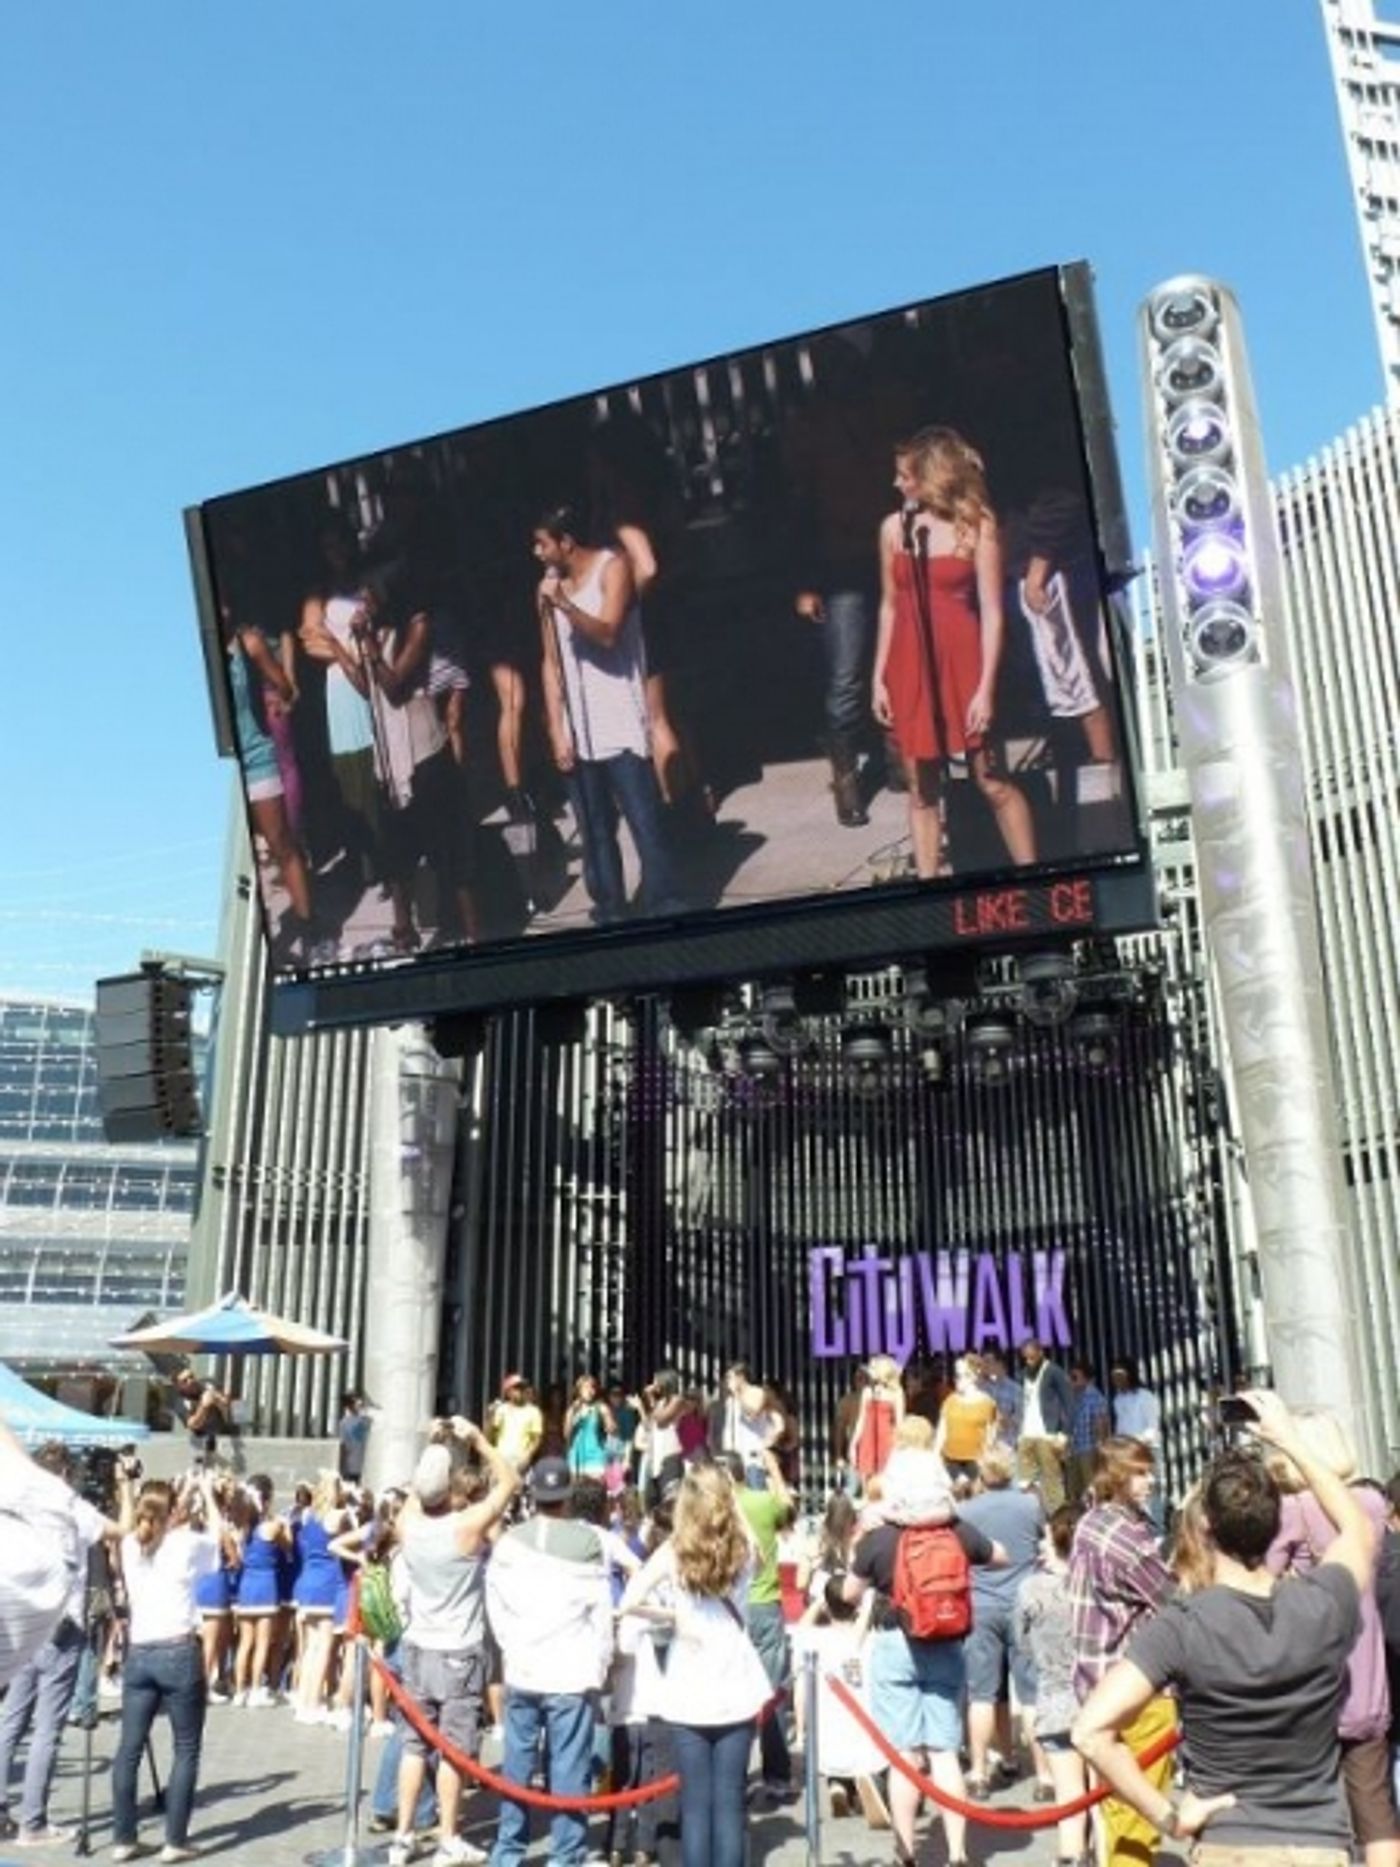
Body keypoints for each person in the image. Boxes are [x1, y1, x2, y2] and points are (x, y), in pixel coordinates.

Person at [1073, 1391, 1377, 1867]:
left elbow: (1090, 1731)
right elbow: (1357, 1528)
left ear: (1205, 1527)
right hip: (1319, 1841)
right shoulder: (1323, 1602)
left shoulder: (1183, 1625)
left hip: (1229, 1842)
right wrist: (1290, 1440)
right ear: (1275, 1524)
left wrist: (1168, 1817)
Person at [873, 427, 1036, 878]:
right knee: (921, 790)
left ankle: (1033, 875)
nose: (896, 483)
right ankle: (930, 887)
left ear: (932, 477)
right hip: (909, 660)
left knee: (992, 780)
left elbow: (993, 612)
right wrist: (878, 679)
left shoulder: (977, 526)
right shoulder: (893, 529)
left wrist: (985, 689)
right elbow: (888, 606)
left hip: (963, 660)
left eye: (905, 475)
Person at [844, 1446, 1006, 1867]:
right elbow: (999, 1555)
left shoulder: (881, 1538)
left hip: (895, 1642)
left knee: (904, 1756)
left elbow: (848, 1593)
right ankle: (957, 1851)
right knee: (945, 1751)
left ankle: (906, 1850)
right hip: (947, 1643)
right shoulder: (956, 1530)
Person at [534, 503, 686, 925]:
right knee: (594, 828)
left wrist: (564, 604)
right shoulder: (546, 589)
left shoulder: (612, 568)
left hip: (619, 721)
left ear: (567, 542)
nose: (537, 552)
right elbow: (550, 660)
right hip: (579, 729)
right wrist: (556, 729)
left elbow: (607, 633)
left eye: (542, 544)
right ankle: (610, 906)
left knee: (643, 820)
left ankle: (665, 903)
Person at [619, 1464, 774, 1867]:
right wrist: (731, 1500)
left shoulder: (673, 1551)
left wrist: (671, 1615)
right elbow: (756, 1548)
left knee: (695, 1805)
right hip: (736, 1683)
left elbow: (629, 1599)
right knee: (730, 1804)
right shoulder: (744, 1547)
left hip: (688, 1685)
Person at [1265, 1410, 1399, 1867]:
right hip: (1368, 1676)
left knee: (1315, 1813)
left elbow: (1261, 1581)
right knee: (1375, 1809)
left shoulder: (1291, 1511)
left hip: (1312, 1683)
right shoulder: (1372, 1503)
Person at [387, 1420, 519, 1867]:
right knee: (454, 1749)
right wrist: (479, 1441)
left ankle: (403, 1836)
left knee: (413, 1746)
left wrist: (432, 1448)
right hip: (459, 1649)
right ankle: (447, 1837)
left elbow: (416, 1493)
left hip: (417, 1646)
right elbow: (509, 1482)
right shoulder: (465, 1527)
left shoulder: (407, 1525)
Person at [485, 1456, 614, 1867]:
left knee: (517, 1765)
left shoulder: (510, 1542)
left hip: (523, 1666)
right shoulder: (588, 1543)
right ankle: (565, 1854)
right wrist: (601, 1662)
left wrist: (509, 1644)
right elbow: (601, 1612)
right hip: (570, 1671)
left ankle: (508, 1850)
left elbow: (494, 1601)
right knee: (569, 1767)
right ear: (567, 1496)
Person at [0, 1445, 130, 1846]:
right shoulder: (69, 1506)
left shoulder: (16, 1504)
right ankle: (33, 1821)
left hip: (25, 1621)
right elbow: (123, 1529)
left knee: (11, 1721)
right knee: (47, 1728)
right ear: (64, 1476)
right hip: (62, 1622)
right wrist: (126, 1484)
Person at [1067, 1437, 1177, 1867]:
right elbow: (1172, 1599)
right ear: (1115, 1477)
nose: (1149, 1481)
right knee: (1140, 1811)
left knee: (1117, 1806)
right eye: (1139, 1473)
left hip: (1096, 1681)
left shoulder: (1090, 1522)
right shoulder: (1126, 1538)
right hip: (1137, 1685)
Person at [110, 1472, 224, 1863]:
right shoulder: (186, 1543)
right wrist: (206, 1493)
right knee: (186, 1748)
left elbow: (150, 1524)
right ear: (173, 1511)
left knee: (129, 1748)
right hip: (178, 1649)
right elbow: (218, 1538)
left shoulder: (130, 1544)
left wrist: (181, 1495)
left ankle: (123, 1838)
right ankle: (174, 1840)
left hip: (140, 1652)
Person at [959, 1445, 1045, 1799]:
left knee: (982, 1694)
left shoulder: (966, 1511)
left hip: (981, 1604)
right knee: (1032, 1694)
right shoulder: (1030, 1505)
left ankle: (979, 1771)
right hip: (1023, 1602)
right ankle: (1045, 1776)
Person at [1014, 1505, 1090, 1867]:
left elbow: (1022, 1642)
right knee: (1102, 1795)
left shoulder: (1031, 1588)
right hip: (1098, 1697)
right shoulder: (1095, 1586)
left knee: (1068, 1794)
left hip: (1055, 1697)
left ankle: (1070, 1855)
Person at [719, 1447, 795, 1802]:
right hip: (764, 1602)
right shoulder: (762, 1502)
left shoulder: (712, 1508)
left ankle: (731, 1776)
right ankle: (776, 1774)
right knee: (771, 1691)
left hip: (725, 1607)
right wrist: (774, 1468)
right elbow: (789, 1511)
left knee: (729, 1692)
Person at [1017, 1338, 1075, 1513]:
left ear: (1041, 1353)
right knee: (1025, 1481)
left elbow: (1069, 1404)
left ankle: (1058, 1519)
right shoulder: (1023, 1374)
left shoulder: (1054, 1372)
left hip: (1047, 1434)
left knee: (1052, 1480)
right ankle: (1031, 1517)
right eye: (1026, 1358)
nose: (1029, 1361)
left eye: (1032, 1357)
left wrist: (1065, 1433)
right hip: (1027, 1433)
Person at [934, 1355, 998, 1486]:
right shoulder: (950, 1401)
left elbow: (991, 1435)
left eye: (962, 1376)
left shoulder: (987, 1403)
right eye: (956, 1375)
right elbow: (941, 1432)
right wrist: (935, 1457)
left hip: (976, 1461)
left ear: (974, 1377)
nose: (957, 1380)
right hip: (950, 1461)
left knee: (975, 1495)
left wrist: (986, 1461)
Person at [849, 1355, 905, 1491]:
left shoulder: (896, 1393)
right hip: (868, 1438)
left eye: (873, 1367)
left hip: (887, 1439)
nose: (870, 1371)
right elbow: (861, 1419)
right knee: (866, 1478)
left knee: (886, 1479)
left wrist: (899, 1445)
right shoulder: (867, 1391)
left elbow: (900, 1422)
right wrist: (853, 1444)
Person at [1066, 1359, 1111, 1506]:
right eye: (1070, 1376)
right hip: (1073, 1450)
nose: (1070, 1380)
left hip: (1089, 1450)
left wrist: (1100, 1451)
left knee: (1091, 1490)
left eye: (1075, 1377)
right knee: (1074, 1493)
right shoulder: (1073, 1396)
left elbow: (1101, 1425)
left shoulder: (1095, 1397)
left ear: (1087, 1379)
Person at [486, 1374, 542, 1475]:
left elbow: (536, 1439)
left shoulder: (533, 1411)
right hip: (501, 1457)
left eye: (522, 1388)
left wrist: (527, 1456)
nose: (521, 1391)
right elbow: (490, 1436)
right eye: (517, 1388)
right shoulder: (500, 1410)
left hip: (520, 1459)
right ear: (508, 1392)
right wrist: (490, 1417)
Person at [565, 1374, 615, 1482]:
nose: (590, 1391)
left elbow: (612, 1428)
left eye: (592, 1387)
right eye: (586, 1387)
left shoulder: (600, 1407)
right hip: (576, 1457)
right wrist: (572, 1414)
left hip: (596, 1456)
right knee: (577, 1490)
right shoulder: (573, 1409)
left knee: (596, 1489)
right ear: (579, 1391)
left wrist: (609, 1422)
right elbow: (566, 1435)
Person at [337, 1393, 372, 1484]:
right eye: (354, 1402)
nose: (358, 1404)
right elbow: (343, 1446)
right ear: (348, 1405)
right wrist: (341, 1467)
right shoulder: (345, 1423)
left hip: (364, 1466)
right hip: (351, 1467)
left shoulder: (366, 1419)